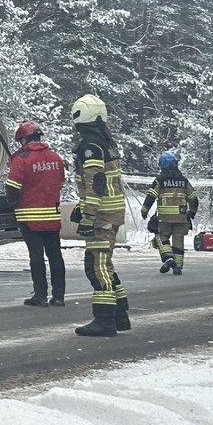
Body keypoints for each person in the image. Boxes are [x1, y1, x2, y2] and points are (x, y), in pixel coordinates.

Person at [68, 93, 130, 338]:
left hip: (102, 215)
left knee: (96, 266)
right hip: (110, 212)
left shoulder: (90, 147)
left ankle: (104, 320)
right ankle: (120, 314)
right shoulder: (106, 142)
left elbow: (96, 183)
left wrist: (87, 216)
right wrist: (81, 208)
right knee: (106, 264)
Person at [6, 120, 67, 307]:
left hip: (29, 217)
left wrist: (12, 202)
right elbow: (61, 183)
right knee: (55, 255)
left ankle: (40, 295)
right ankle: (59, 296)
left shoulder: (21, 159)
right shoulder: (56, 158)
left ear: (24, 139)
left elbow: (12, 188)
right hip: (52, 216)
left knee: (36, 256)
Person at [142, 149, 197, 275]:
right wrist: (191, 213)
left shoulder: (160, 180)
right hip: (182, 218)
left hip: (164, 219)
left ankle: (168, 258)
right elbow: (193, 198)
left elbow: (151, 196)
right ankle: (177, 266)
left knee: (161, 237)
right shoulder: (184, 181)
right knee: (178, 241)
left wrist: (144, 210)